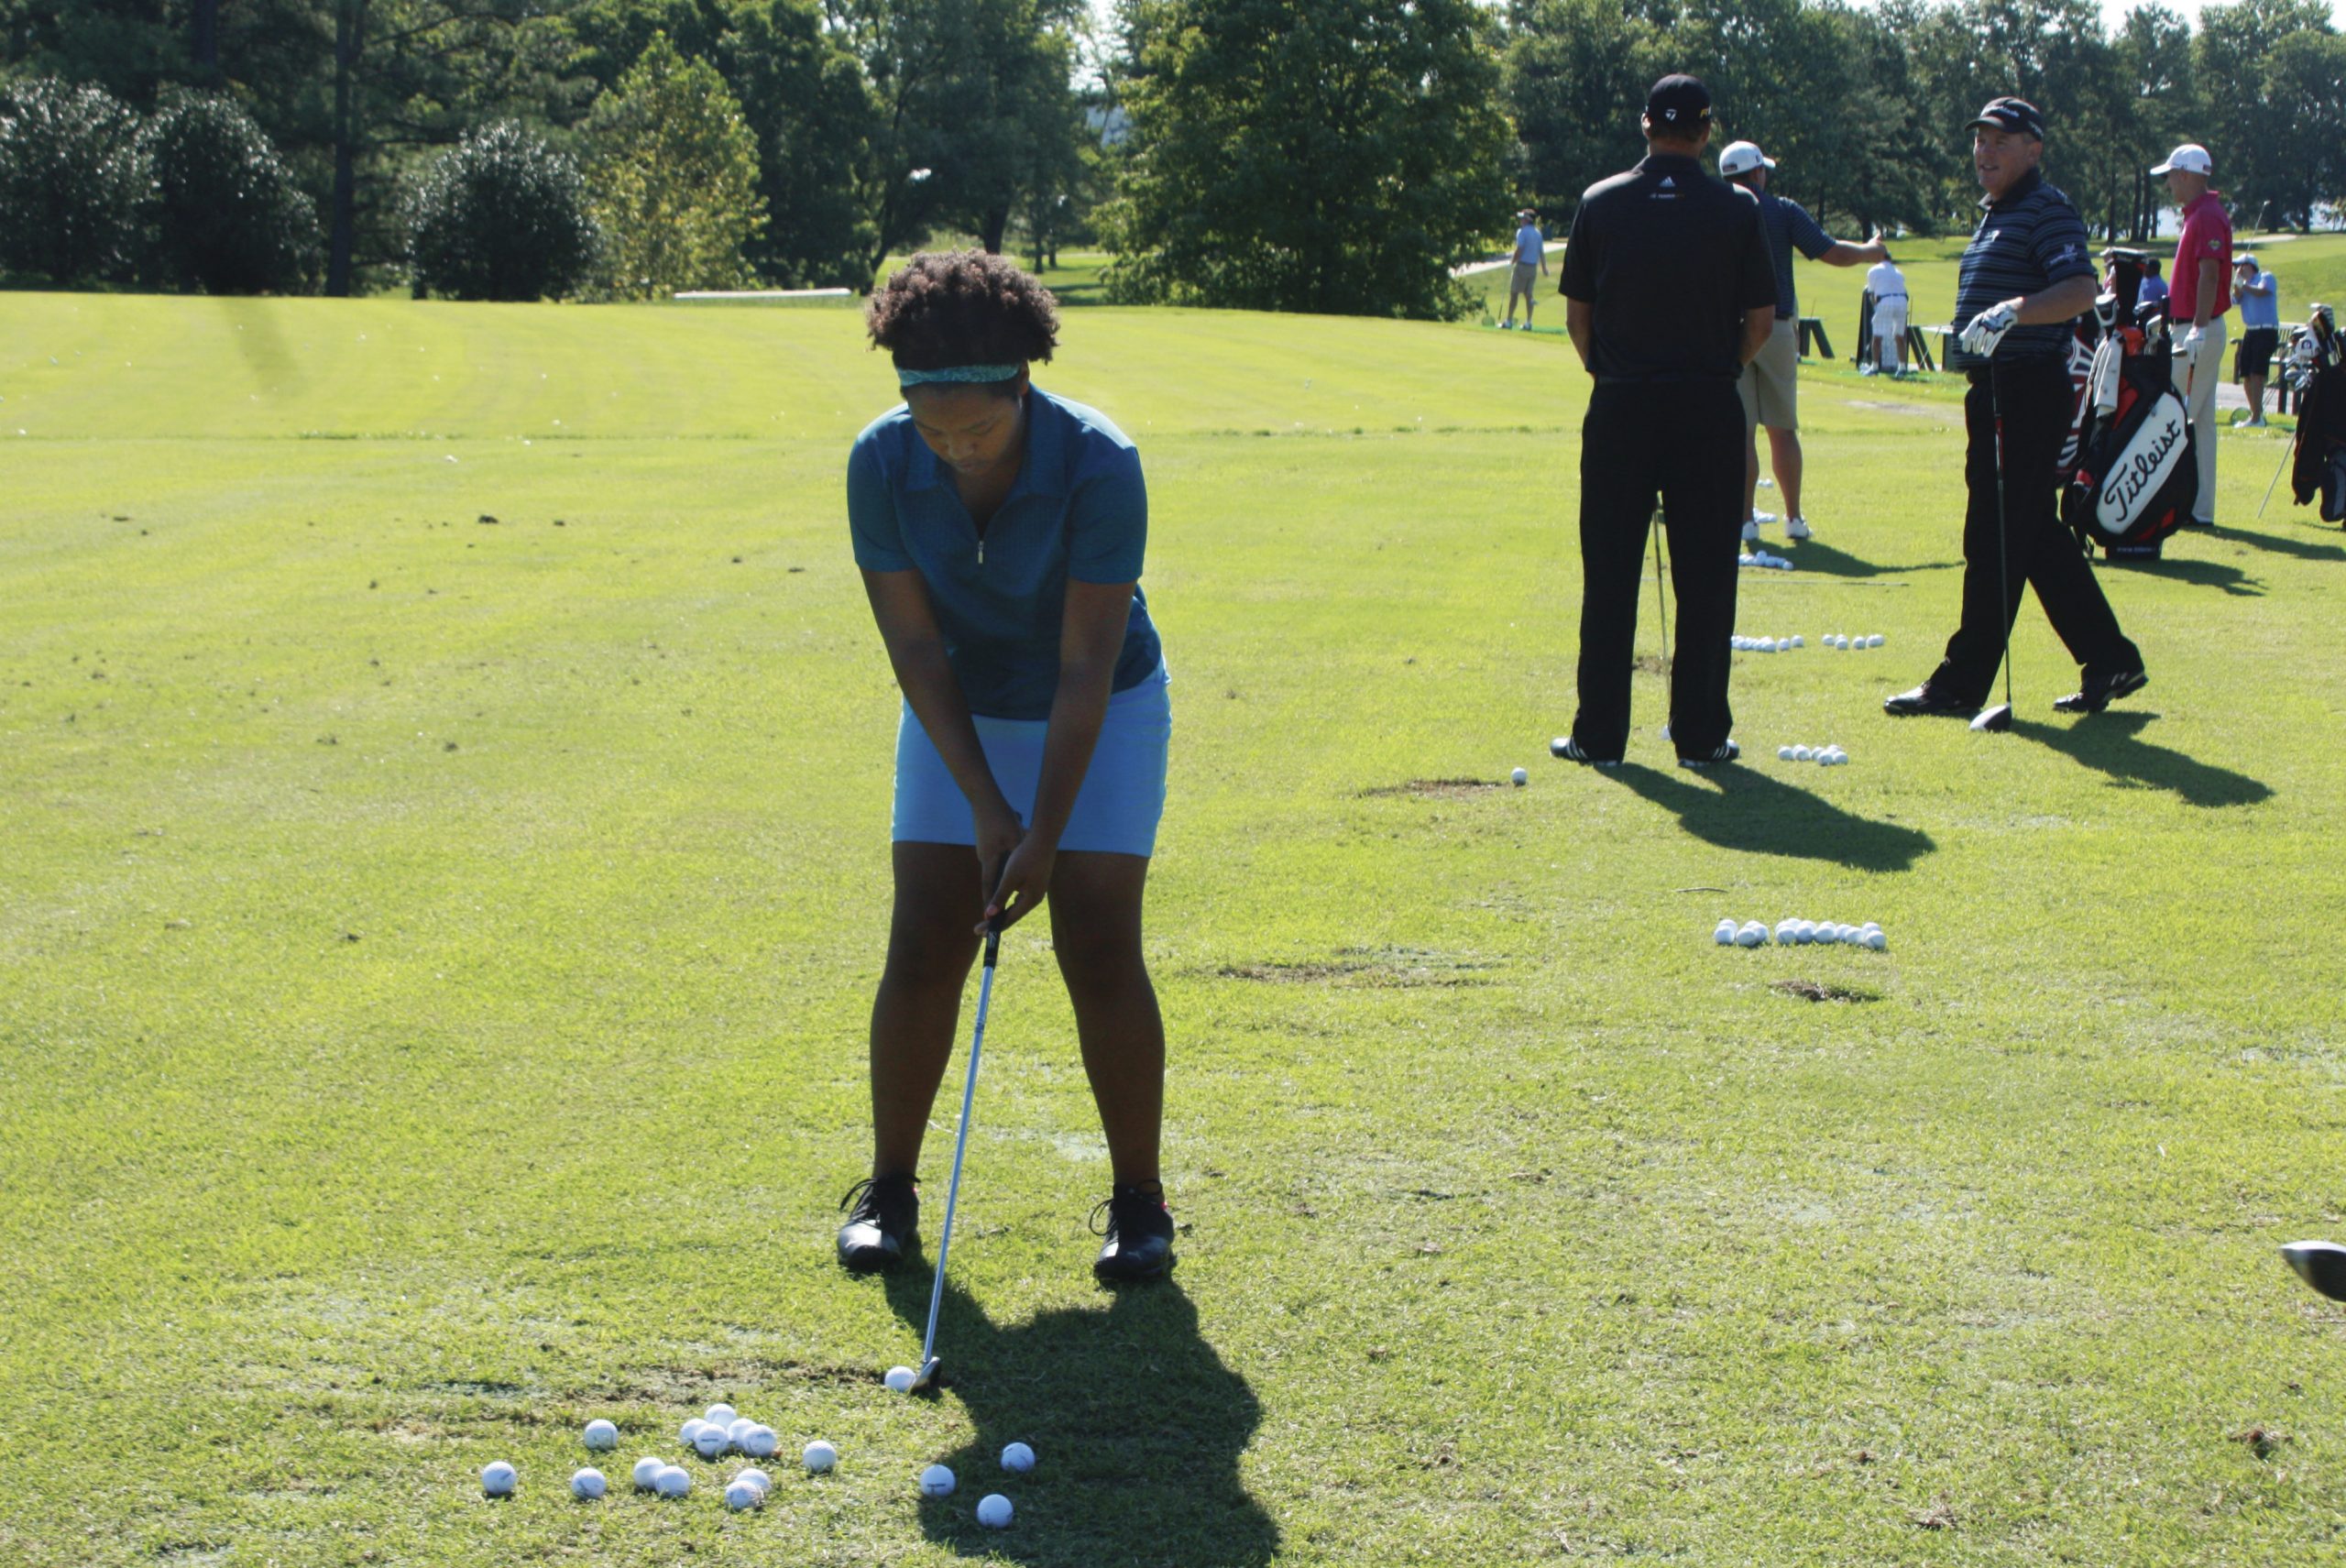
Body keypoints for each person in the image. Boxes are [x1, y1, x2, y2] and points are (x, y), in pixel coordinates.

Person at [837, 250, 1177, 1286]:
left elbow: (1082, 664)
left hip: (1101, 705)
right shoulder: (880, 462)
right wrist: (987, 805)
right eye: (934, 432)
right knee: (925, 936)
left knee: (1098, 940)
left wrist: (1043, 834)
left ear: (1023, 386)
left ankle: (1139, 1204)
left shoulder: (1098, 463)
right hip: (959, 712)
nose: (956, 454)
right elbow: (915, 650)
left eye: (979, 431)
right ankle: (888, 1191)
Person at [1884, 97, 2147, 720]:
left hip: (2027, 389)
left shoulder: (2046, 208)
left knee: (1996, 535)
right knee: (2029, 534)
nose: (1986, 151)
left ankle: (1959, 683)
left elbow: (2081, 289)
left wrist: (2016, 311)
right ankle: (2111, 658)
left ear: (2034, 148)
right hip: (1997, 391)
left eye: (2000, 140)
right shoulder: (1995, 213)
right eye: (1980, 140)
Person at [1552, 74, 1776, 770]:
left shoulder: (1600, 202)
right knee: (1707, 574)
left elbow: (1578, 319)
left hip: (1622, 403)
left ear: (1646, 125)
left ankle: (1600, 736)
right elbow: (1761, 322)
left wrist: (1613, 372)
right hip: (1707, 406)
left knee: (1611, 572)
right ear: (1706, 133)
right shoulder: (1737, 208)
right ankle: (1701, 735)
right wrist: (1715, 366)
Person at [1717, 138, 1890, 543]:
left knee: (1740, 430)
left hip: (1728, 329)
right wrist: (1871, 252)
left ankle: (1745, 521)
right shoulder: (1782, 209)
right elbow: (1830, 252)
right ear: (1758, 172)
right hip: (1774, 326)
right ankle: (1793, 517)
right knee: (1782, 428)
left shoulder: (1716, 209)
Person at [2153, 142, 2231, 526]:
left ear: (2186, 174)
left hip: (2197, 329)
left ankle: (2174, 501)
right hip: (2195, 327)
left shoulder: (2206, 216)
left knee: (2177, 416)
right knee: (2200, 425)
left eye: (2171, 176)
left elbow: (2210, 274)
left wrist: (2198, 326)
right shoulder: (2198, 215)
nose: (2169, 184)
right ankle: (2199, 509)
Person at [2234, 252, 2279, 427]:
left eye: (2240, 266)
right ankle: (2256, 415)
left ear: (2250, 266)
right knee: (2246, 375)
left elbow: (2262, 292)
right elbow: (2236, 299)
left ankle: (2256, 418)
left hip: (2266, 331)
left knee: (2257, 374)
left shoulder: (2266, 277)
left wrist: (2243, 284)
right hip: (2250, 332)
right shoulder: (2242, 284)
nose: (2237, 269)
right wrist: (2238, 285)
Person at [1864, 254, 1910, 375]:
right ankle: (1902, 368)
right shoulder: (1899, 272)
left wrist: (1876, 306)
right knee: (1899, 336)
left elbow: (1871, 293)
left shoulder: (1873, 270)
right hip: (1902, 301)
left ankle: (1874, 368)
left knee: (1877, 336)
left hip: (1885, 301)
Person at [1503, 208, 1548, 330]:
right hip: (1533, 268)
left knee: (1514, 294)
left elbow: (1519, 250)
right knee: (1529, 295)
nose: (1521, 220)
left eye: (1523, 218)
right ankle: (1528, 322)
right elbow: (1541, 252)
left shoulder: (1521, 232)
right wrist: (1544, 268)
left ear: (1528, 220)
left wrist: (1511, 263)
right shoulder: (1538, 233)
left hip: (1522, 266)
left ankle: (1509, 321)